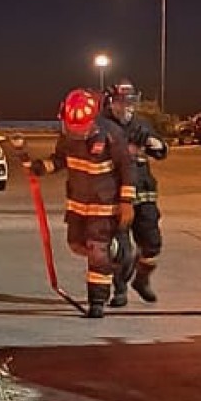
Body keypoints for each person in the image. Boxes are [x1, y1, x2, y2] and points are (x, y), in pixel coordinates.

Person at [10, 88, 137, 318]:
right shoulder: (67, 136)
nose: (77, 132)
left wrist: (126, 201)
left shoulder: (112, 135)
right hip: (78, 205)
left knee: (97, 251)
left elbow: (127, 169)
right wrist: (42, 167)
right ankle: (117, 251)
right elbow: (60, 160)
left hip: (104, 205)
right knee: (77, 245)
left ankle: (97, 301)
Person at [104, 81, 167, 304]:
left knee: (152, 244)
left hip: (144, 194)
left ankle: (141, 280)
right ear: (111, 103)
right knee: (121, 250)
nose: (126, 107)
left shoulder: (142, 124)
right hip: (116, 197)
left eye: (130, 102)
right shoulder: (103, 127)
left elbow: (161, 150)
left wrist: (152, 142)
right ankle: (119, 289)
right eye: (121, 102)